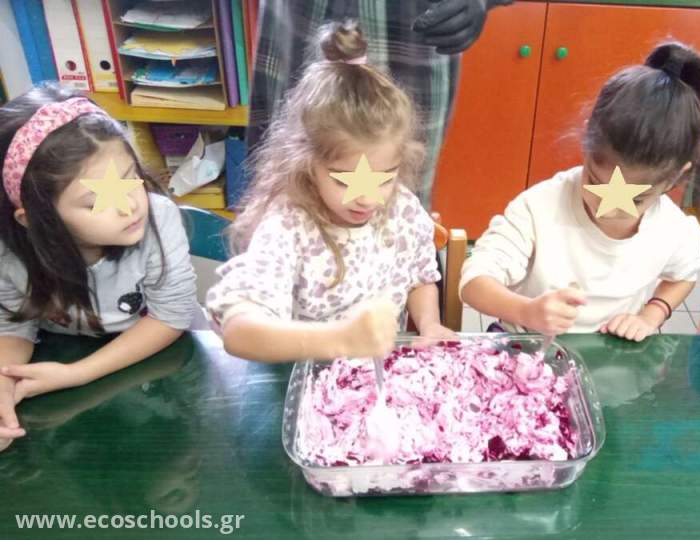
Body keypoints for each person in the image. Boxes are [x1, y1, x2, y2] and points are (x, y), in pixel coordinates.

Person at [207, 21, 455, 363]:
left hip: (381, 373)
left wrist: (429, 324)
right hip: (305, 371)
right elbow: (239, 333)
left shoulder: (403, 209)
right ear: (307, 163)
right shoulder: (289, 226)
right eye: (344, 181)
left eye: (385, 178)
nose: (368, 198)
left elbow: (419, 277)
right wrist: (340, 340)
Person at [460, 43, 700, 341]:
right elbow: (474, 281)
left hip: (608, 354)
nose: (609, 207)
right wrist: (526, 311)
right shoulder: (539, 207)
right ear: (587, 142)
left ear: (675, 177)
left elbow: (684, 276)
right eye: (596, 181)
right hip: (526, 344)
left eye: (636, 199)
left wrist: (651, 314)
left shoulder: (673, 231)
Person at [0, 85, 198, 446]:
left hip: (157, 370)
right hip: (63, 369)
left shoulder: (159, 218)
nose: (130, 206)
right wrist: (5, 379)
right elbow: (12, 326)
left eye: (129, 178)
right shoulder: (10, 253)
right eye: (96, 202)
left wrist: (76, 374)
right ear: (34, 220)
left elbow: (171, 317)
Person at [249, 0, 513, 207]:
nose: (363, 199)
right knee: (287, 183)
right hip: (299, 16)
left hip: (415, 25)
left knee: (399, 190)